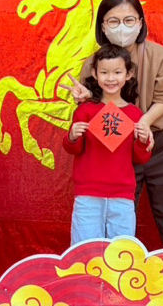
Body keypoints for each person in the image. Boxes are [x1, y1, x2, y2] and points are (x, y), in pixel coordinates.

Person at [63, 0, 163, 256]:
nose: (122, 27)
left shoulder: (159, 55)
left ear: (140, 23)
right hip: (115, 148)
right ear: (102, 26)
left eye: (129, 20)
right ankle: (105, 277)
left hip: (162, 142)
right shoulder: (93, 62)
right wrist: (86, 98)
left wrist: (143, 124)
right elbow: (94, 109)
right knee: (117, 225)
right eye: (113, 21)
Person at [63, 45, 152, 246]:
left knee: (122, 252)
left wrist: (143, 141)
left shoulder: (135, 114)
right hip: (88, 194)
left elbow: (141, 158)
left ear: (128, 74)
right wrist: (72, 136)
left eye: (117, 72)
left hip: (122, 195)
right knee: (85, 250)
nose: (111, 78)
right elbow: (74, 149)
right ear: (95, 74)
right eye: (104, 73)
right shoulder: (85, 110)